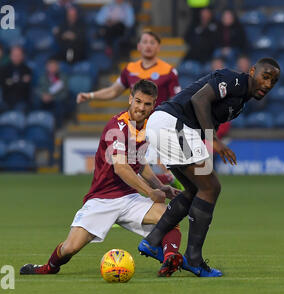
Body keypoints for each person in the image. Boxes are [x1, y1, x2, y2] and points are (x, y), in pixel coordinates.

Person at [20, 80, 183, 277]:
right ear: (130, 98)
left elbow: (140, 163)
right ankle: (48, 268)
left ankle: (170, 260)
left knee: (171, 215)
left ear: (153, 105)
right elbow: (121, 168)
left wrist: (160, 187)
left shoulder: (148, 126)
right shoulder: (117, 126)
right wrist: (150, 192)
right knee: (70, 247)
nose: (141, 107)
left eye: (147, 104)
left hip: (129, 197)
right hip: (102, 199)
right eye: (138, 101)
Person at [139, 57, 280, 277]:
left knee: (196, 190)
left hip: (169, 126)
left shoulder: (241, 100)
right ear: (252, 71)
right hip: (173, 124)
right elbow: (199, 99)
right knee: (211, 187)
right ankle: (194, 259)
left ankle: (153, 240)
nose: (268, 84)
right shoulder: (234, 80)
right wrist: (213, 139)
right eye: (265, 77)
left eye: (274, 81)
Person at [77, 29, 182, 187]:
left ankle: (175, 192)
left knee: (158, 169)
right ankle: (162, 195)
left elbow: (176, 101)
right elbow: (114, 90)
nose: (148, 46)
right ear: (139, 46)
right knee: (137, 171)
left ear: (158, 47)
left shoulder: (168, 71)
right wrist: (91, 96)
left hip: (157, 126)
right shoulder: (130, 69)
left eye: (152, 43)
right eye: (145, 42)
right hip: (133, 127)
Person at [35, 57, 69, 128]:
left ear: (58, 67)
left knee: (59, 105)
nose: (52, 68)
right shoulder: (42, 77)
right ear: (46, 67)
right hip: (44, 99)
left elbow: (65, 93)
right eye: (50, 66)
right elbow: (37, 89)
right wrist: (42, 96)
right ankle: (40, 124)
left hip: (57, 100)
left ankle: (58, 126)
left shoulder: (63, 77)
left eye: (54, 66)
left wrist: (52, 97)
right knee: (36, 102)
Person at [0, 45, 32, 112]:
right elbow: (3, 83)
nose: (16, 57)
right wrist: (19, 81)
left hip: (21, 99)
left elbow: (25, 86)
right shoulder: (4, 69)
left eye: (19, 55)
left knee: (21, 108)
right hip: (6, 98)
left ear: (22, 56)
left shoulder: (27, 70)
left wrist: (11, 81)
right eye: (14, 55)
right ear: (10, 56)